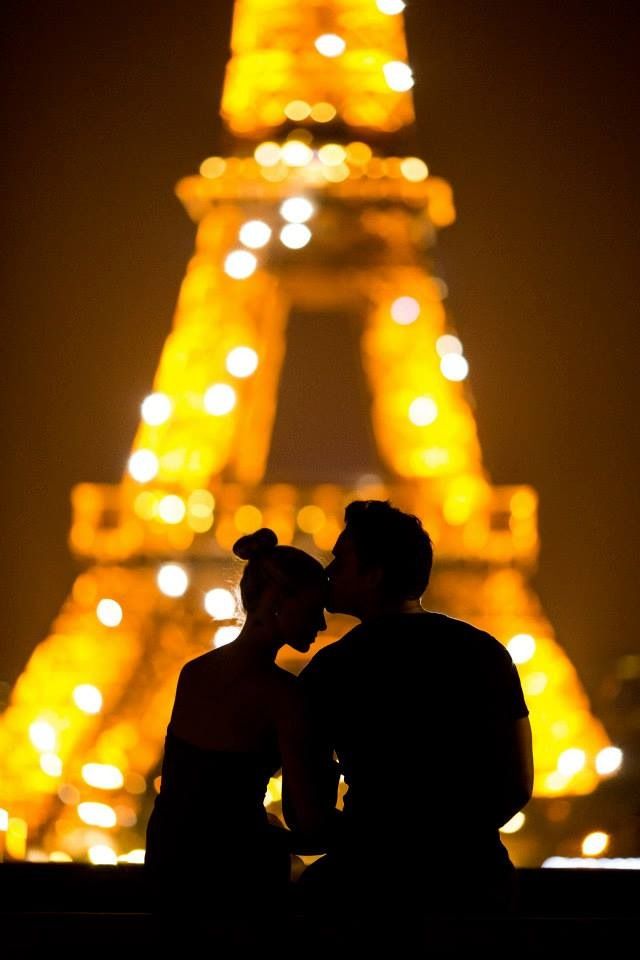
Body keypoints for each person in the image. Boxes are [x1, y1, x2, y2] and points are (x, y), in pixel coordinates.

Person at [293, 500, 534, 933]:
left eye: (341, 561)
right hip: (475, 881)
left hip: (367, 886)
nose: (329, 572)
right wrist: (454, 836)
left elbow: (309, 814)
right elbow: (518, 784)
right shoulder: (486, 653)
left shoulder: (332, 669)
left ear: (375, 574)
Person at [145, 528, 333, 943]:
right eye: (314, 609)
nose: (322, 623)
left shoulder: (193, 673)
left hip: (168, 874)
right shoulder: (285, 697)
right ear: (277, 602)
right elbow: (310, 822)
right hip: (237, 885)